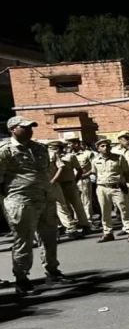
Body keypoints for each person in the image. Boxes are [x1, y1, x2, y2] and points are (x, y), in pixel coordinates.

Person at [0, 116, 65, 295]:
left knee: (50, 236)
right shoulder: (5, 151)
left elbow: (45, 170)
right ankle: (22, 278)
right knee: (24, 239)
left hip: (44, 197)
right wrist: (10, 196)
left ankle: (52, 271)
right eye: (25, 127)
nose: (29, 130)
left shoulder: (39, 148)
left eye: (31, 127)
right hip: (21, 200)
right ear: (12, 129)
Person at [92, 138, 129, 242]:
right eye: (102, 146)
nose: (105, 148)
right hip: (102, 187)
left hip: (117, 187)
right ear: (98, 149)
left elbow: (126, 172)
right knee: (105, 211)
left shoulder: (119, 158)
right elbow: (94, 173)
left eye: (107, 146)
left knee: (124, 209)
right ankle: (108, 233)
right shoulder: (95, 160)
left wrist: (123, 183)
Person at [48, 139, 91, 238]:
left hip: (69, 183)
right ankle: (63, 226)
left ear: (60, 148)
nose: (52, 150)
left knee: (77, 205)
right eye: (50, 148)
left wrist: (75, 181)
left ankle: (84, 224)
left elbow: (79, 170)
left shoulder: (70, 157)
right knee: (62, 207)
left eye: (54, 148)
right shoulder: (51, 157)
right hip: (58, 184)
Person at [67, 138, 95, 221]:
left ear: (76, 144)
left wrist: (86, 174)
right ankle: (78, 220)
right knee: (74, 201)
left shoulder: (88, 153)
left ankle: (88, 220)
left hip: (83, 179)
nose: (68, 146)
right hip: (72, 180)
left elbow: (94, 167)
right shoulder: (68, 155)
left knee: (86, 200)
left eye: (70, 144)